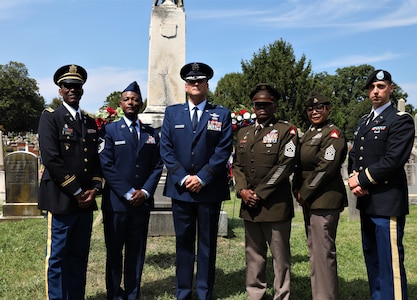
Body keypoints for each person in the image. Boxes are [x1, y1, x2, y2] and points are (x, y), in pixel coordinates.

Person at [160, 62, 233, 300]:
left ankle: (203, 293)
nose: (195, 84)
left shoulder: (221, 114)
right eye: (191, 81)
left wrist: (202, 177)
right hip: (181, 191)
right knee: (183, 244)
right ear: (185, 85)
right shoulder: (172, 113)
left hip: (209, 190)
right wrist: (183, 178)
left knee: (207, 244)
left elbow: (223, 150)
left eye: (199, 80)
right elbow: (166, 149)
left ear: (206, 85)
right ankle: (183, 292)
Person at [38, 64, 103, 299]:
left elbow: (95, 160)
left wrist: (94, 189)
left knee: (79, 255)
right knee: (57, 256)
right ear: (60, 90)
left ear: (82, 90)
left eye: (77, 86)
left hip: (85, 201)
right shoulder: (51, 118)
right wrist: (77, 190)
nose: (72, 89)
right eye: (68, 86)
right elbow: (51, 158)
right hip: (62, 198)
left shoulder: (88, 122)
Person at [348, 69, 414, 300]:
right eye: (372, 88)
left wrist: (361, 179)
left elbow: (393, 160)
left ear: (391, 88)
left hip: (387, 202)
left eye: (381, 86)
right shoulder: (364, 122)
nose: (376, 91)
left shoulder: (400, 120)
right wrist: (352, 180)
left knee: (390, 263)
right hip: (367, 201)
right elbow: (355, 154)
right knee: (373, 259)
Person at [233, 83, 298, 300]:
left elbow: (284, 166)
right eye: (258, 104)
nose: (261, 107)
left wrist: (258, 193)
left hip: (274, 205)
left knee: (280, 258)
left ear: (274, 106)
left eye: (266, 104)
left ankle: (282, 295)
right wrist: (242, 190)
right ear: (253, 105)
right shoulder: (244, 132)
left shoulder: (286, 131)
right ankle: (256, 294)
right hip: (248, 205)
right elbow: (238, 166)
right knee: (253, 255)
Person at [99, 81, 163, 300]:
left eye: (135, 99)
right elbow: (106, 164)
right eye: (127, 99)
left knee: (136, 253)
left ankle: (133, 293)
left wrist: (145, 191)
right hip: (116, 205)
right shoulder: (109, 130)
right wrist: (127, 192)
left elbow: (157, 165)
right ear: (120, 103)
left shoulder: (150, 133)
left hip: (141, 205)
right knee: (114, 252)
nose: (131, 103)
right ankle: (115, 294)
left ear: (141, 102)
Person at [292, 92, 347, 300]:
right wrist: (297, 190)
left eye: (319, 108)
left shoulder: (332, 134)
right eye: (310, 109)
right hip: (309, 201)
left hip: (324, 199)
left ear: (328, 109)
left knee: (323, 253)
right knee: (315, 251)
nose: (314, 111)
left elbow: (327, 166)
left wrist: (304, 192)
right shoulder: (308, 133)